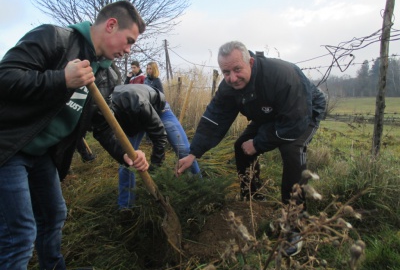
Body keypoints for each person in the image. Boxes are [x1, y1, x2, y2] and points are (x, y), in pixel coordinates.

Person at [0, 0, 150, 270]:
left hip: (42, 153)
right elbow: (5, 77)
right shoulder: (54, 39)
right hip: (9, 146)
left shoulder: (108, 75)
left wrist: (126, 153)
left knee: (54, 214)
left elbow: (102, 126)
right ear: (111, 25)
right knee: (19, 234)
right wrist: (61, 80)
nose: (129, 50)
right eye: (128, 40)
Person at [177, 41, 326, 256]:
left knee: (292, 151)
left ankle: (295, 226)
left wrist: (258, 143)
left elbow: (294, 122)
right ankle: (254, 201)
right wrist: (194, 153)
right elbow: (215, 119)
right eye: (226, 72)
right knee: (241, 147)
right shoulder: (229, 87)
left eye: (237, 69)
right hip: (269, 115)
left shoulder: (282, 75)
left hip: (303, 111)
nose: (232, 77)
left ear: (251, 62)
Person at [130, 61, 202, 175]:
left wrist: (155, 118)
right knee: (128, 153)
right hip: (144, 113)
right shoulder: (144, 81)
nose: (148, 70)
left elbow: (161, 99)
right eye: (147, 68)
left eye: (150, 68)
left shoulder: (157, 81)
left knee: (183, 150)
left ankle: (199, 182)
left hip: (161, 111)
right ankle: (152, 173)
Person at [110, 83, 168, 209]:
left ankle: (196, 187)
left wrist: (154, 170)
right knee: (127, 163)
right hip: (131, 117)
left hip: (158, 106)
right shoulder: (104, 108)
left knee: (183, 148)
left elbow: (160, 136)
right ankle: (126, 207)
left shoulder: (139, 104)